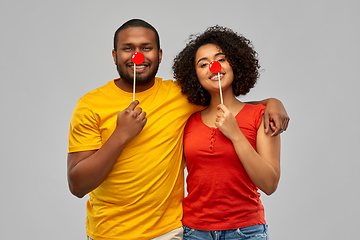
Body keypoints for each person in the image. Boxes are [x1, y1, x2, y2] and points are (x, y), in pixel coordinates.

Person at [67, 19, 289, 240]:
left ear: (159, 55)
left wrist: (272, 103)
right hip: (107, 233)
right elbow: (77, 185)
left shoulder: (180, 96)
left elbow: (224, 101)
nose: (138, 56)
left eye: (146, 48)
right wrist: (120, 136)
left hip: (169, 233)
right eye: (128, 49)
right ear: (115, 56)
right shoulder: (90, 105)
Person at [172, 25, 281, 240]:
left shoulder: (262, 116)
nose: (213, 66)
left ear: (235, 63)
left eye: (220, 59)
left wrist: (236, 134)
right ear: (195, 75)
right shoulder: (187, 121)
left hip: (246, 231)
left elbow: (269, 184)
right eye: (203, 64)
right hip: (194, 232)